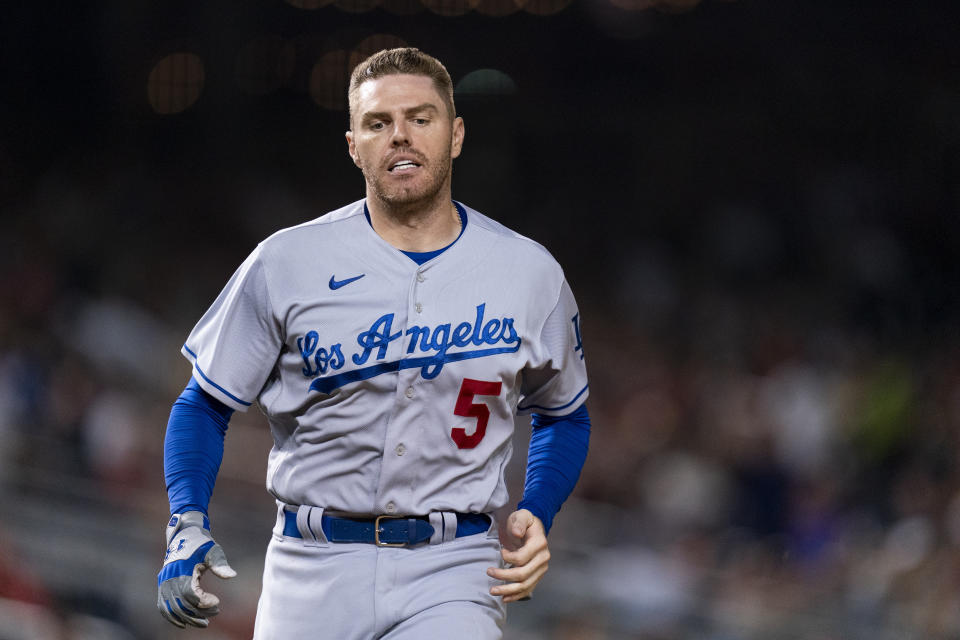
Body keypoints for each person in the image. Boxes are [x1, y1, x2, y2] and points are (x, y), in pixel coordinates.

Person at [156, 47, 591, 639]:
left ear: (456, 134)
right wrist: (186, 518)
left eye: (421, 118)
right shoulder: (286, 261)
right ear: (353, 145)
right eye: (378, 123)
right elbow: (204, 404)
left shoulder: (528, 273)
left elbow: (565, 414)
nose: (401, 137)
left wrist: (537, 509)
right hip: (310, 565)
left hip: (454, 566)